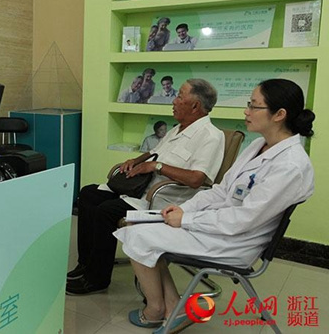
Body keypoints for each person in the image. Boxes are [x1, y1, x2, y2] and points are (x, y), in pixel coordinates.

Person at [114, 79, 315, 333]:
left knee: (138, 234)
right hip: (219, 225)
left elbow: (244, 219)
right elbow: (221, 191)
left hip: (237, 241)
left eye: (254, 106)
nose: (246, 111)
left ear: (279, 115)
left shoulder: (290, 166)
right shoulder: (258, 145)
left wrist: (186, 220)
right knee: (137, 222)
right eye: (248, 105)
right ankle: (174, 306)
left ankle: (155, 309)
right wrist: (185, 210)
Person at [66, 79, 224, 295]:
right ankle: (86, 264)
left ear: (195, 105)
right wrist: (136, 161)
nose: (174, 101)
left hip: (166, 201)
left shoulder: (211, 136)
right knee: (88, 194)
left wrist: (156, 166)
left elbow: (197, 179)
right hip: (141, 190)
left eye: (179, 96)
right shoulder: (178, 129)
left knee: (106, 211)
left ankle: (96, 279)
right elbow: (155, 152)